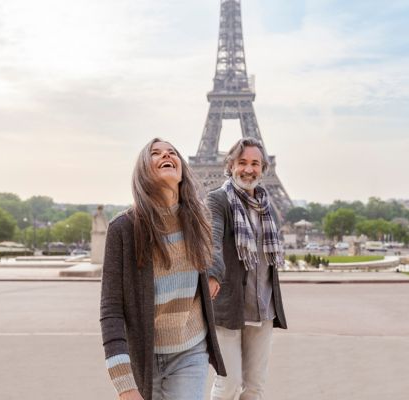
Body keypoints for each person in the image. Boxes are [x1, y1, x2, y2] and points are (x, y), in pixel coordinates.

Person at [100, 138, 226, 400]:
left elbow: (215, 251)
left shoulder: (198, 219)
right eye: (155, 153)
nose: (166, 155)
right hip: (145, 355)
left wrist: (214, 273)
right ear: (143, 172)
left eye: (172, 153)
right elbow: (111, 310)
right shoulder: (123, 229)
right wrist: (124, 384)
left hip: (190, 350)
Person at [207, 137, 288, 400]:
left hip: (262, 308)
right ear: (230, 166)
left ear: (264, 168)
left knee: (254, 388)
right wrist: (212, 273)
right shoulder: (217, 200)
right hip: (229, 308)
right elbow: (213, 241)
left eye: (255, 163)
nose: (248, 169)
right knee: (228, 386)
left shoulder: (268, 207)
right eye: (242, 162)